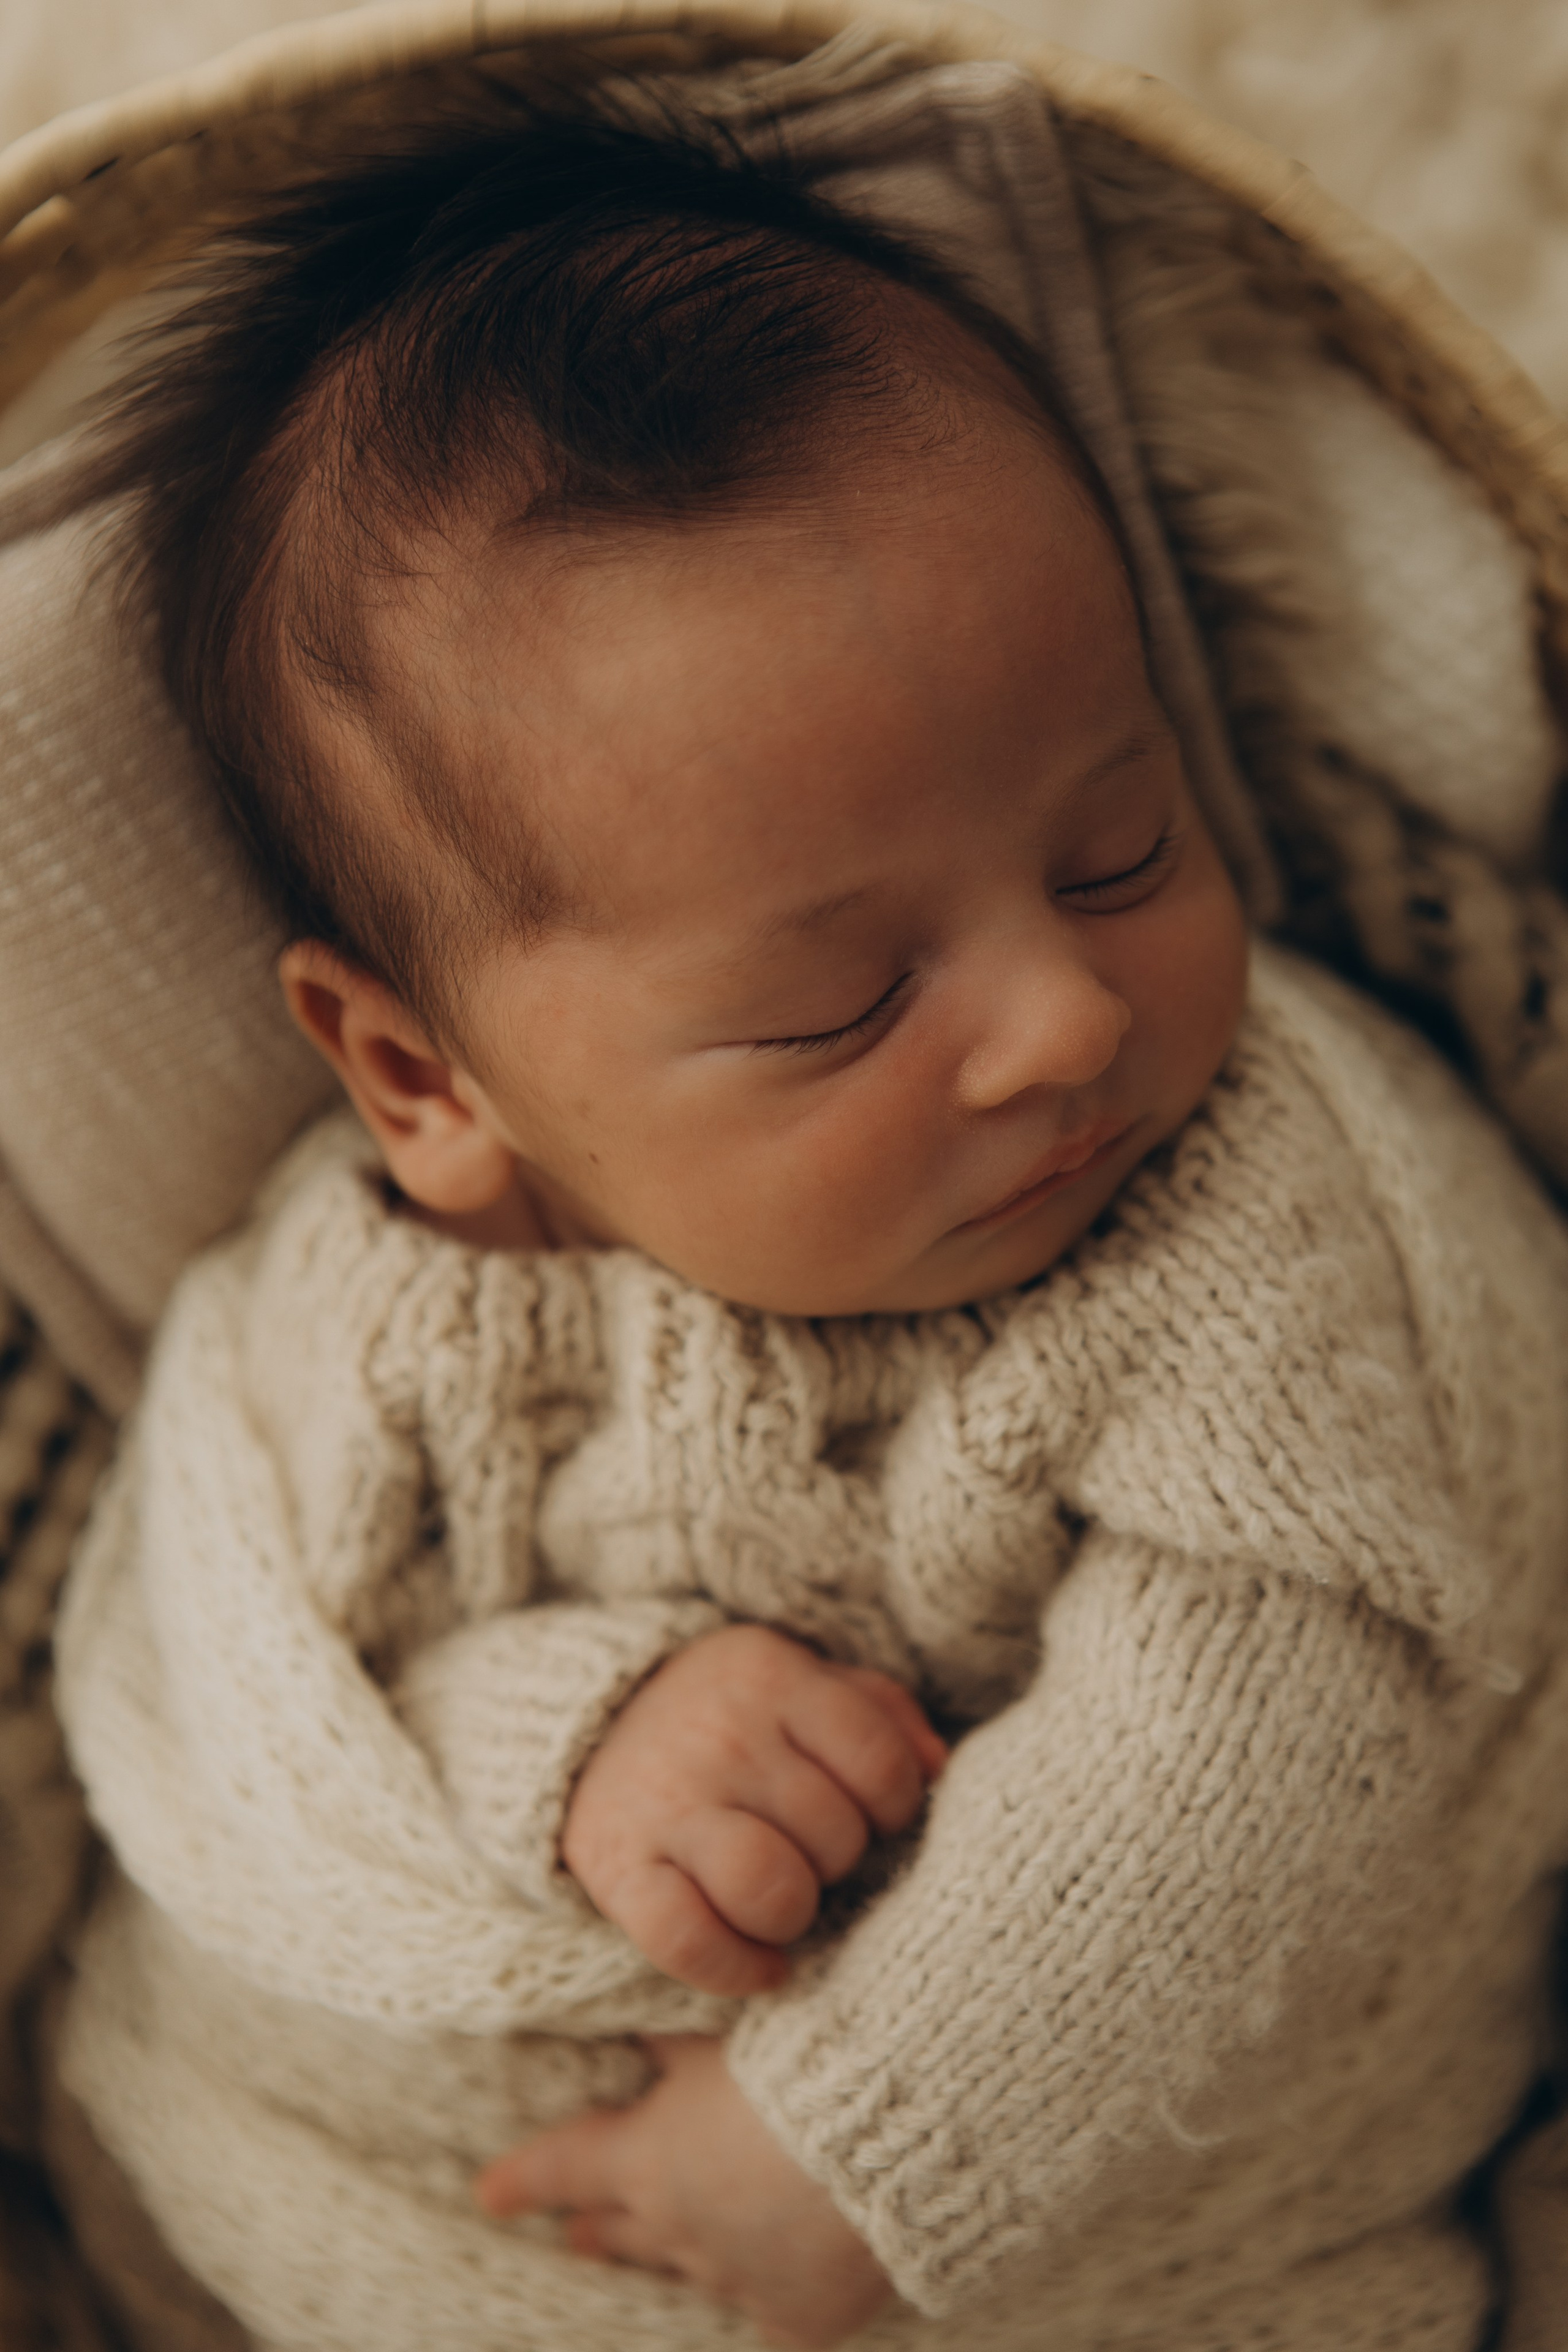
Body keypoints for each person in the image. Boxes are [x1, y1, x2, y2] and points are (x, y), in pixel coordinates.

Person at [50, 91, 1568, 2352]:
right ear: (418, 1081)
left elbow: (1281, 1713)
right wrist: (578, 1735)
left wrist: (871, 2136)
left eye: (1121, 848)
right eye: (845, 1000)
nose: (1063, 1020)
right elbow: (250, 1676)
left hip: (1106, 2218)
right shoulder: (344, 1316)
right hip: (389, 2191)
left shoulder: (1254, 1208)